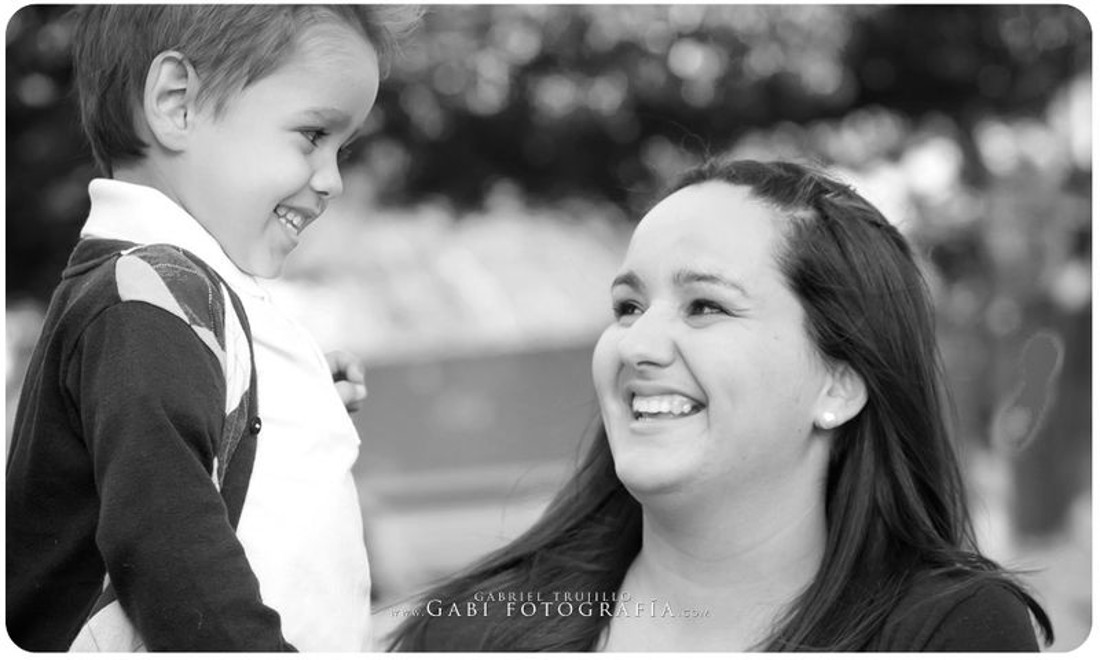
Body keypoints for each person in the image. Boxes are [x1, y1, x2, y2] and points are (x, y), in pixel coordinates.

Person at [386, 158, 1054, 651]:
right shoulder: (469, 630)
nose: (636, 343)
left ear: (839, 383)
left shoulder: (950, 630)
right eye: (628, 307)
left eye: (705, 305)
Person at [6, 5, 419, 651]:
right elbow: (168, 545)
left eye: (342, 149)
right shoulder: (143, 301)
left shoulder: (180, 293)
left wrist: (288, 403)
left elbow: (197, 458)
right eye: (313, 134)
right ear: (178, 103)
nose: (333, 180)